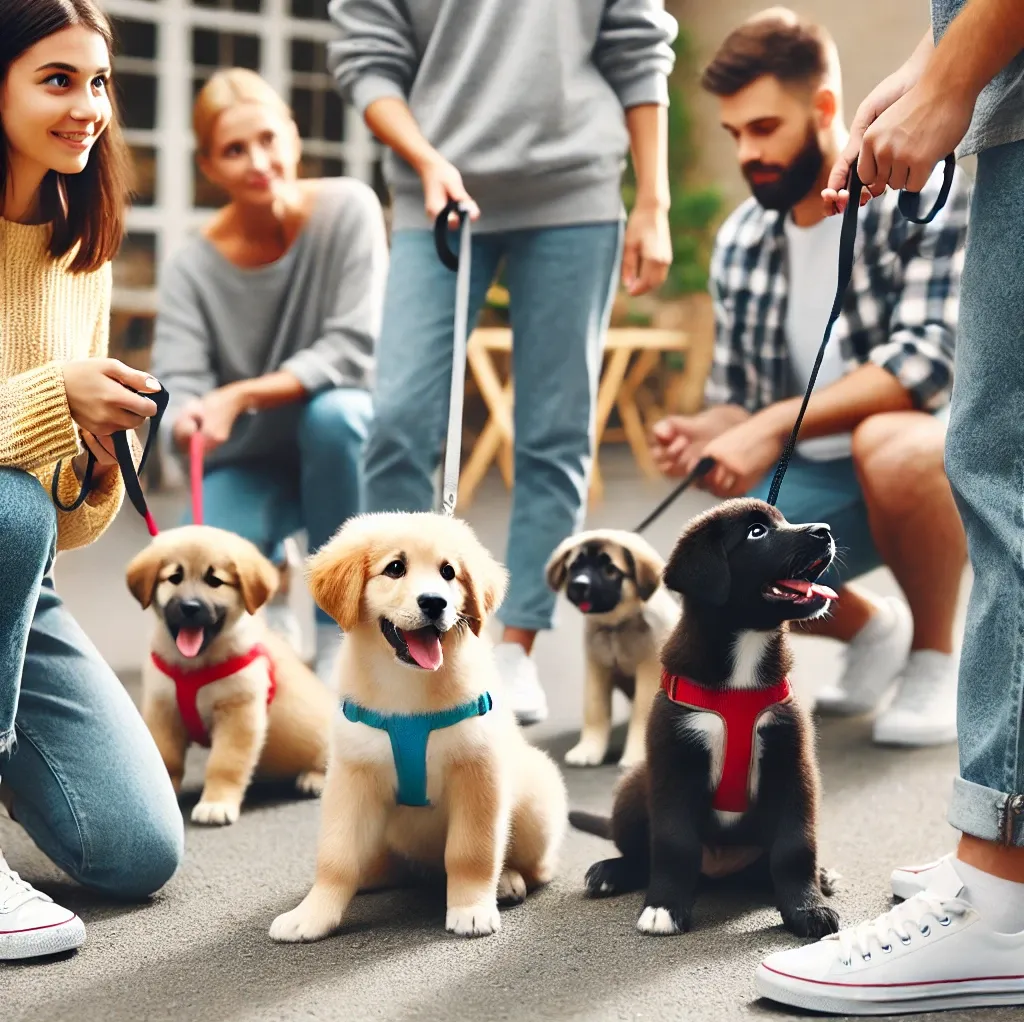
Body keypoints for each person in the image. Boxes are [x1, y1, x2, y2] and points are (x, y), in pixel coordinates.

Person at [753, 1, 1024, 1014]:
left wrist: (952, 79)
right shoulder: (746, 236)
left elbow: (917, 365)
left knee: (1003, 461)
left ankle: (1001, 893)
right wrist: (931, 61)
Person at [327, 0, 677, 725]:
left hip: (575, 191)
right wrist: (424, 158)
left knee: (554, 430)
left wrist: (653, 200)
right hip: (436, 187)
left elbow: (638, 49)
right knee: (398, 422)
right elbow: (368, 59)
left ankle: (509, 646)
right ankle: (385, 634)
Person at [649, 9, 971, 748]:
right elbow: (740, 395)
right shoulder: (741, 238)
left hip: (925, 463)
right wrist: (707, 432)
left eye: (763, 128)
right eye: (734, 135)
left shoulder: (920, 200)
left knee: (892, 443)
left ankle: (933, 653)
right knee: (726, 529)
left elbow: (926, 362)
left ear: (825, 108)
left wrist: (763, 428)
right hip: (816, 477)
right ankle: (870, 629)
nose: (746, 153)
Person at [0, 0, 184, 960]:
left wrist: (103, 457)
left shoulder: (80, 241)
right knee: (5, 507)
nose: (87, 107)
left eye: (99, 81)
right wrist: (49, 395)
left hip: (17, 585)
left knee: (139, 851)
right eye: (57, 80)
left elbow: (63, 526)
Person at [150, 69, 388, 685]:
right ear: (209, 166)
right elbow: (177, 386)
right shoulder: (190, 269)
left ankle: (339, 627)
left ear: (293, 135)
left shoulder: (348, 210)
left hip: (338, 447)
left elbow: (356, 346)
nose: (259, 162)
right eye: (234, 150)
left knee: (335, 416)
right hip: (248, 460)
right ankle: (273, 584)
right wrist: (189, 418)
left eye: (268, 139)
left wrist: (243, 394)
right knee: (203, 570)